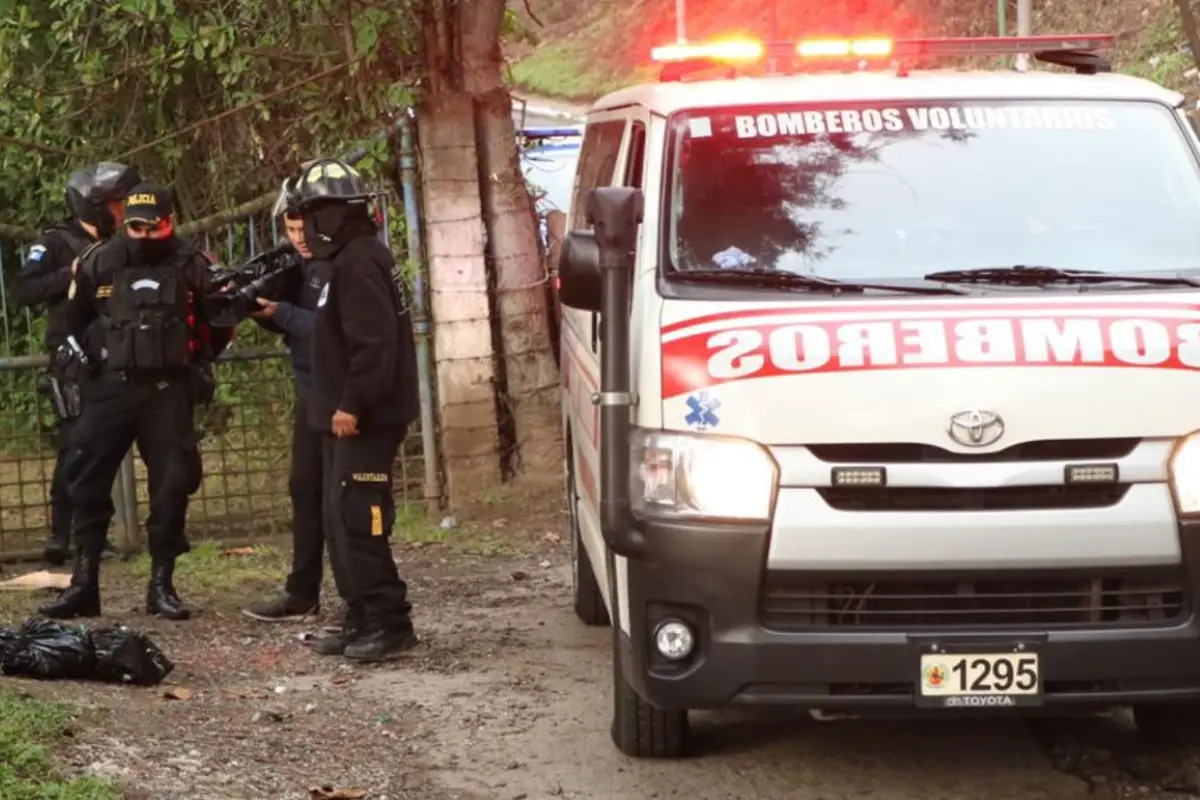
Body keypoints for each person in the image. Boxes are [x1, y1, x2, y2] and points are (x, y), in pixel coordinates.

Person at [39, 184, 234, 621]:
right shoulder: (100, 261)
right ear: (123, 223)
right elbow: (67, 324)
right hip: (110, 387)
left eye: (155, 226)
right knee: (85, 480)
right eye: (136, 226)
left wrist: (197, 361)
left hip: (168, 389)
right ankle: (83, 584)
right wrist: (77, 363)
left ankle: (161, 585)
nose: (145, 234)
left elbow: (220, 320)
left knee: (173, 484)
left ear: (171, 222)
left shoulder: (192, 264)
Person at [290, 157, 420, 661]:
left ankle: (390, 620)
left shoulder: (359, 261)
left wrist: (352, 403)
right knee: (340, 515)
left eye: (314, 213)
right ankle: (362, 614)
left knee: (360, 517)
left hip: (365, 418)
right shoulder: (347, 259)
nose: (308, 226)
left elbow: (375, 345)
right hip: (345, 416)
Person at [16, 164, 139, 565]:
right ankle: (61, 533)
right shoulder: (55, 241)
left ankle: (92, 533)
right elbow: (25, 288)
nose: (123, 212)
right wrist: (67, 273)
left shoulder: (121, 243)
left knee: (102, 445)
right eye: (117, 205)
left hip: (112, 352)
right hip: (71, 355)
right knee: (75, 444)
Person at [241, 177, 342, 628]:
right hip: (311, 391)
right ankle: (302, 590)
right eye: (291, 231)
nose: (299, 240)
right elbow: (296, 325)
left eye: (305, 230)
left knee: (340, 498)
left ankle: (355, 597)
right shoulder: (302, 267)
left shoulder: (343, 265)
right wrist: (262, 310)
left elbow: (328, 327)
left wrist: (279, 313)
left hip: (343, 397)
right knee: (304, 488)